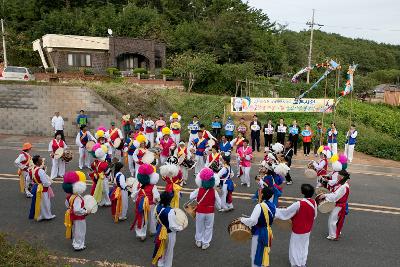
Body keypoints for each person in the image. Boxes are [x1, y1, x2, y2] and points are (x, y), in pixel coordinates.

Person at [275, 184, 317, 267]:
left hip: (298, 228)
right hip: (308, 228)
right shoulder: (314, 202)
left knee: (295, 246)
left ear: (302, 192)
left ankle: (296, 264)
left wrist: (275, 210)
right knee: (304, 245)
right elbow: (314, 215)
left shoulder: (299, 203)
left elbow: (286, 212)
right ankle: (302, 263)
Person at [240, 187, 275, 267]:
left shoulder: (259, 206)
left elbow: (253, 221)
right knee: (264, 251)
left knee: (256, 253)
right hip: (268, 231)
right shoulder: (272, 205)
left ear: (262, 194)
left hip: (259, 233)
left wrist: (242, 219)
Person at [189, 167, 221, 250]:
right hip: (210, 212)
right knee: (209, 227)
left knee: (199, 226)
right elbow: (219, 204)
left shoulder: (199, 189)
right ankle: (205, 242)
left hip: (200, 211)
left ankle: (198, 241)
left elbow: (191, 196)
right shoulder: (214, 191)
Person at [152, 192, 184, 267]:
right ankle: (167, 265)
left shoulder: (157, 207)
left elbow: (155, 219)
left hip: (160, 231)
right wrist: (181, 227)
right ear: (169, 200)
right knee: (169, 250)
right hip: (169, 233)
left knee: (161, 247)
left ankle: (160, 263)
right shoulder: (170, 211)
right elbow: (173, 226)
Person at [131, 163, 160, 241]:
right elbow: (156, 197)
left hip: (141, 204)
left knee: (142, 218)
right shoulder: (153, 186)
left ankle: (142, 234)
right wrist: (158, 202)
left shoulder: (138, 184)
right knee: (152, 217)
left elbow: (134, 194)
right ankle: (152, 230)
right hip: (151, 204)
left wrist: (135, 200)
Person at [63, 171, 88, 251]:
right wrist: (85, 211)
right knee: (80, 231)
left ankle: (76, 242)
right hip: (79, 217)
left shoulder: (70, 196)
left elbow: (67, 205)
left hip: (73, 216)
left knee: (76, 230)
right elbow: (77, 210)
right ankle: (78, 245)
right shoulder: (77, 198)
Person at [323, 170, 351, 241]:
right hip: (338, 204)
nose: (337, 176)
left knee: (333, 219)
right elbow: (334, 182)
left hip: (339, 205)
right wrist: (327, 181)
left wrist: (324, 196)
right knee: (334, 219)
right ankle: (335, 232)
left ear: (342, 177)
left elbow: (335, 196)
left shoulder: (344, 186)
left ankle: (333, 235)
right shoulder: (341, 182)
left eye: (338, 175)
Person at [28, 155, 56, 221]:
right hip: (42, 188)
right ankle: (47, 216)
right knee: (45, 202)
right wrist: (50, 183)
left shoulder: (32, 169)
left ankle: (39, 215)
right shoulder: (40, 171)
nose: (42, 161)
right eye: (40, 160)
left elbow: (28, 179)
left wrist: (33, 183)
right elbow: (45, 182)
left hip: (36, 186)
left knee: (38, 202)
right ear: (37, 162)